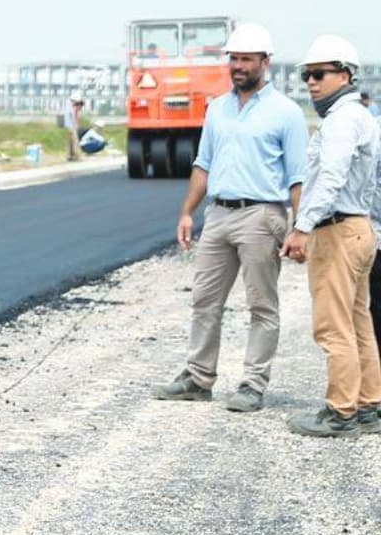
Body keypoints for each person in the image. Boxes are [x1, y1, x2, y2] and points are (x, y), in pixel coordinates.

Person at [153, 22, 309, 412]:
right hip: (219, 214)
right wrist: (187, 212)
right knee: (205, 300)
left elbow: (298, 178)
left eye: (245, 59)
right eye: (233, 59)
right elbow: (203, 165)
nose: (238, 66)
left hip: (261, 216)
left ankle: (253, 384)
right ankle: (198, 377)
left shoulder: (286, 114)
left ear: (264, 62)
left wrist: (300, 227)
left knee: (261, 305)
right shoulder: (217, 109)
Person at [281, 35, 381, 437]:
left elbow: (331, 177)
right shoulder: (360, 117)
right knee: (358, 323)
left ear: (344, 74)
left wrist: (303, 227)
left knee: (333, 326)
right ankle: (370, 404)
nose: (310, 82)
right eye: (306, 74)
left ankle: (341, 412)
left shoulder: (341, 120)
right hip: (358, 229)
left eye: (319, 74)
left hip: (338, 231)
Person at [63, 93, 86, 161]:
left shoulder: (69, 106)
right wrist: (77, 125)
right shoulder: (71, 107)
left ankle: (69, 156)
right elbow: (74, 118)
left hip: (69, 126)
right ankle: (77, 156)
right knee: (75, 141)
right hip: (71, 127)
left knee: (70, 142)